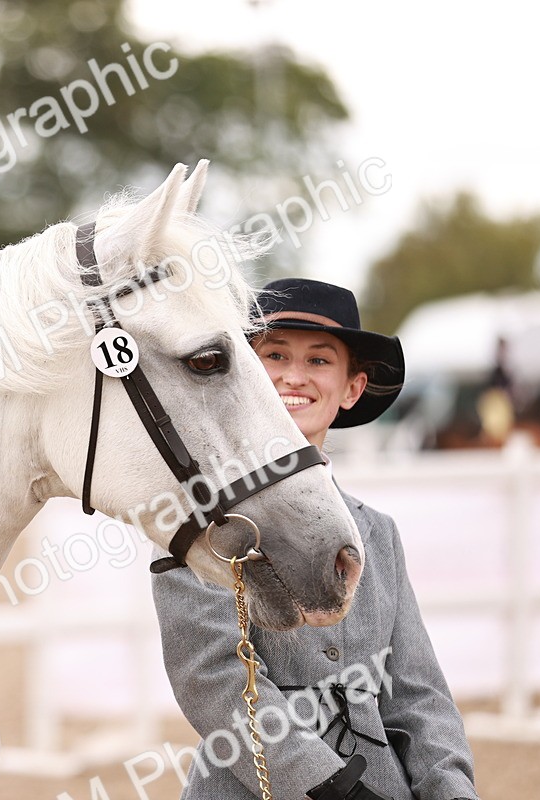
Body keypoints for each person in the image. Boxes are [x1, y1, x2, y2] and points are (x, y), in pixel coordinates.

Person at [152, 279, 479, 800]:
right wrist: (333, 789)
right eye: (274, 354)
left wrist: (450, 788)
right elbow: (214, 682)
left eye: (320, 360)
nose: (294, 375)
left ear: (351, 388)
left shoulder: (378, 532)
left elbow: (418, 694)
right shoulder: (204, 526)